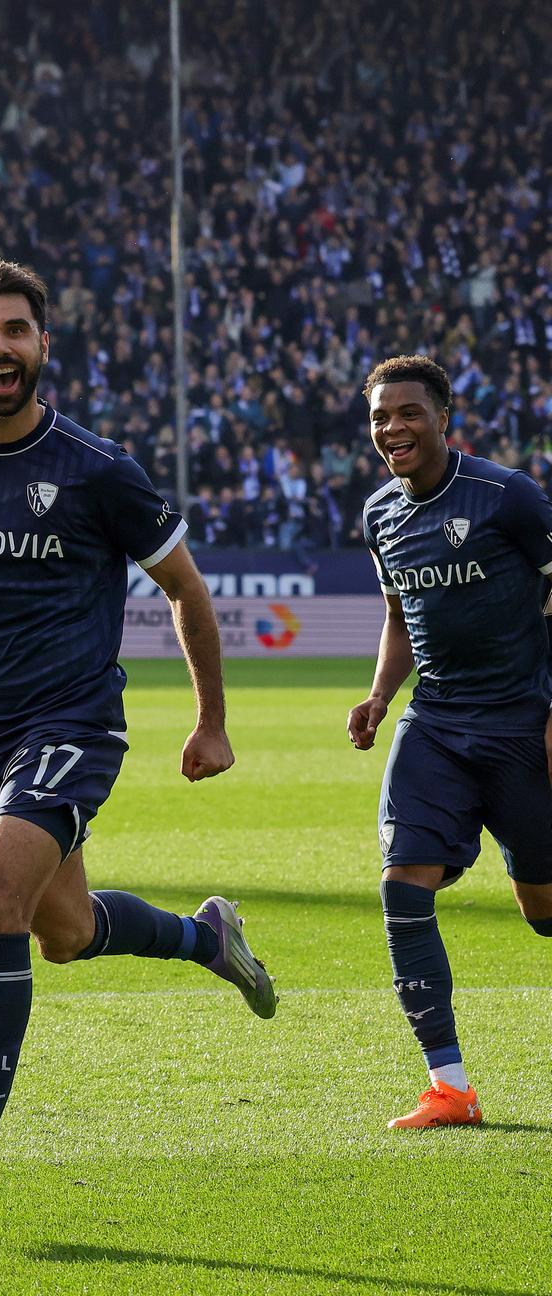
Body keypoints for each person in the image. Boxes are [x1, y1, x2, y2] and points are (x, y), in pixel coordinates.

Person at [0, 260, 277, 1208]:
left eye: (15, 330)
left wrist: (211, 721)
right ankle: (205, 938)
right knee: (63, 931)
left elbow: (186, 589)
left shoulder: (100, 469)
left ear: (43, 344)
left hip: (72, 724)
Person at [347, 354, 552, 1130]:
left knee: (543, 912)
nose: (392, 428)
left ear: (443, 417)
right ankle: (450, 1086)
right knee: (403, 886)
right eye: (379, 417)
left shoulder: (508, 497)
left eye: (407, 413)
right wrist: (379, 695)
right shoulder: (379, 515)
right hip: (435, 722)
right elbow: (401, 617)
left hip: (522, 726)